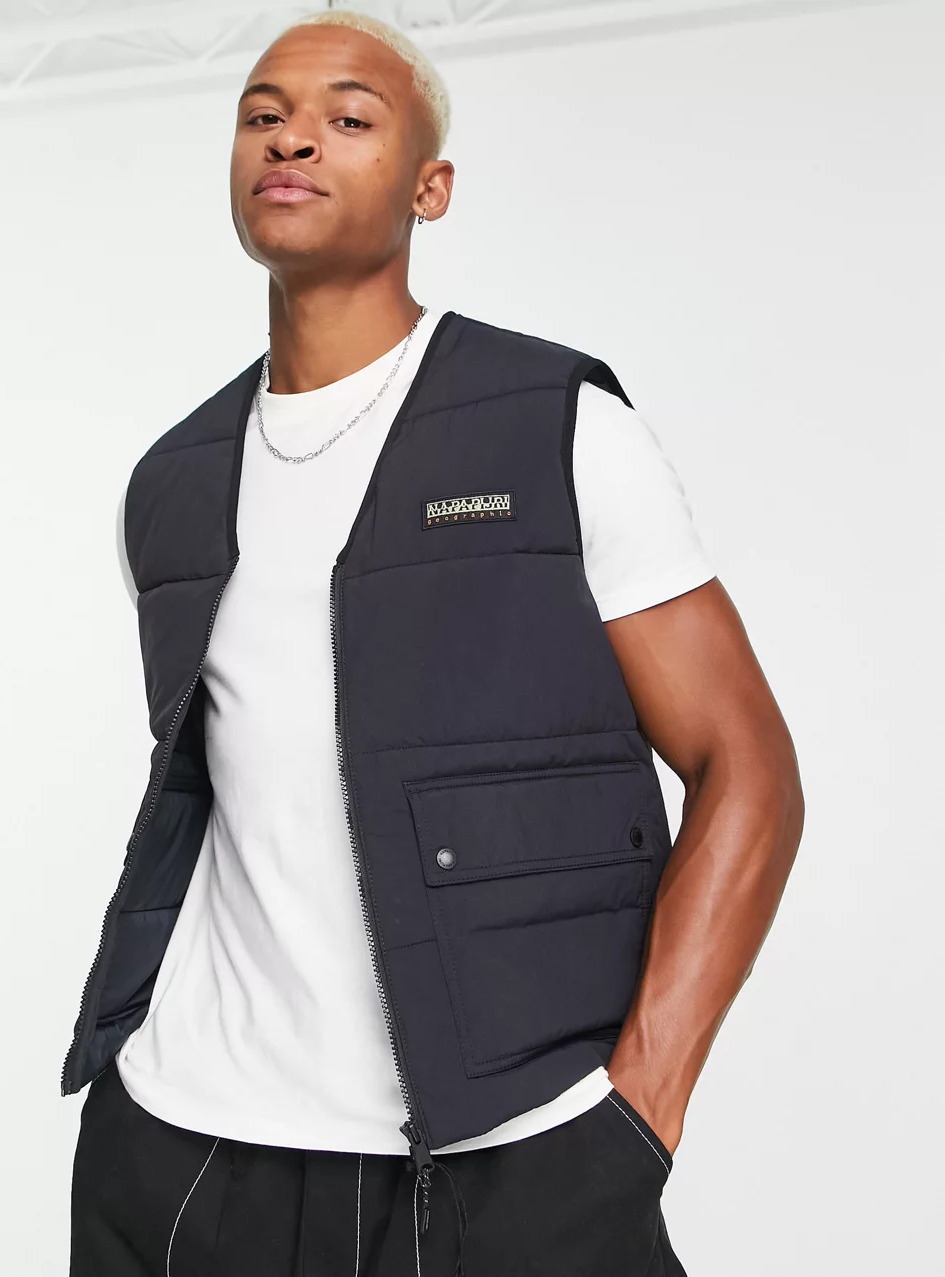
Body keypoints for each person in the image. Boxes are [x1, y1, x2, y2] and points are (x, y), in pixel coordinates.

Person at [64, 9, 805, 1277]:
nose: (292, 136)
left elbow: (748, 767)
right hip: (184, 1150)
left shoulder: (556, 424)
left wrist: (638, 1107)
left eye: (348, 117)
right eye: (261, 115)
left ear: (429, 187)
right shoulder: (170, 481)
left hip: (507, 1159)